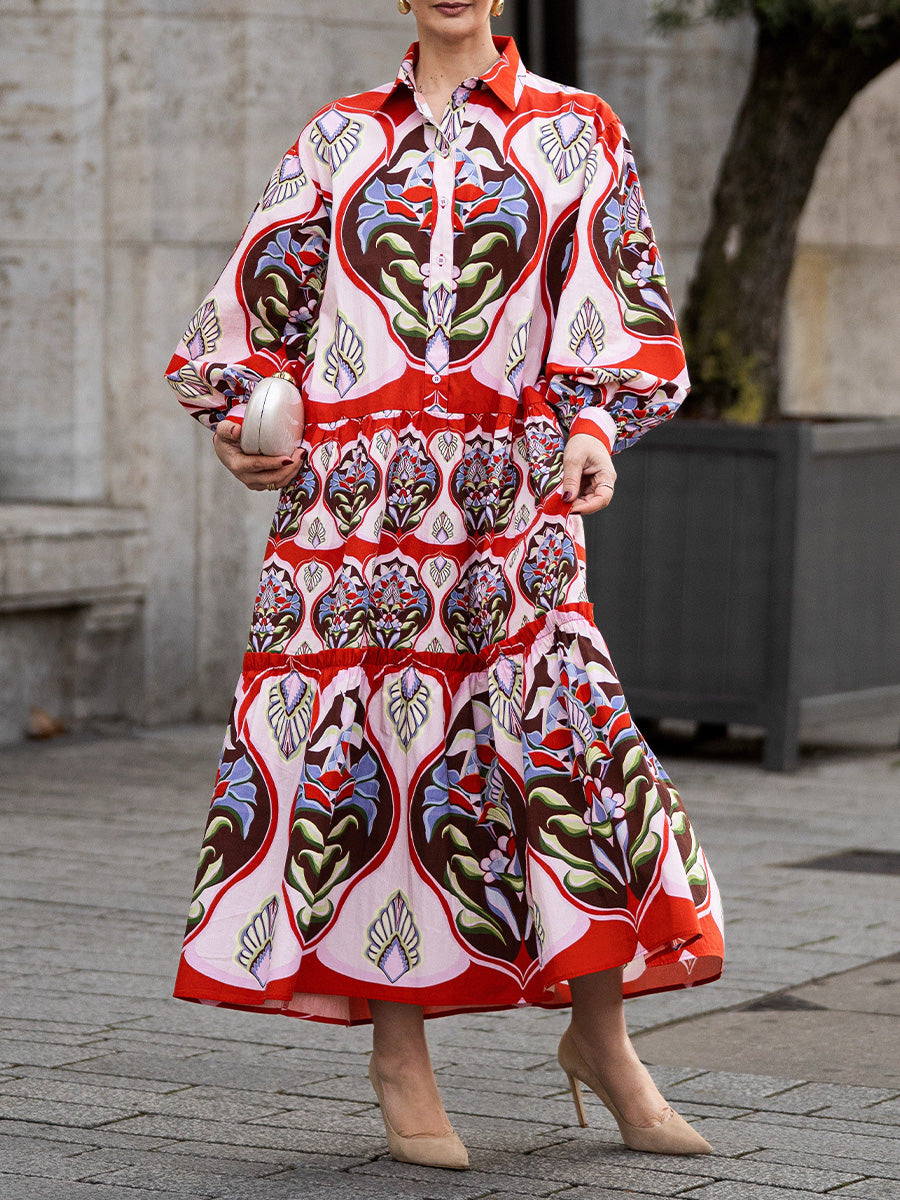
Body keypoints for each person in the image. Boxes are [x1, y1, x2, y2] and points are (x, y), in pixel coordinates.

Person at [165, 0, 724, 1171]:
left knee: (571, 760)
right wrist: (240, 424)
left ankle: (603, 1043)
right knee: (375, 764)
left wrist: (594, 432)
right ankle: (399, 1057)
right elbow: (251, 326)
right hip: (353, 521)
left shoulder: (576, 129)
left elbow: (618, 309)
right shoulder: (336, 139)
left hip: (512, 507)